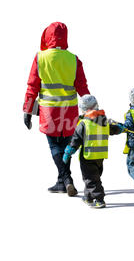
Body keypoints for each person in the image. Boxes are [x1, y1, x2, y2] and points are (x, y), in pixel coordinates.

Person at [23, 22, 90, 196]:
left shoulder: (40, 58)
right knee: (67, 146)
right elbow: (82, 87)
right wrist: (91, 110)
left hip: (49, 112)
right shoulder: (73, 59)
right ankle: (62, 181)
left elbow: (32, 87)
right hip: (70, 111)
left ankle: (66, 179)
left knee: (54, 146)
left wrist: (27, 111)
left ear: (47, 36)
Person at [62, 95, 124, 208]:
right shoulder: (104, 122)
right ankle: (88, 197)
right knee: (93, 177)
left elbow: (75, 140)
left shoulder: (84, 124)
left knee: (90, 178)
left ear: (84, 109)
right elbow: (114, 129)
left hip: (87, 156)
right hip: (100, 156)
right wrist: (120, 128)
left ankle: (100, 199)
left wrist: (68, 152)